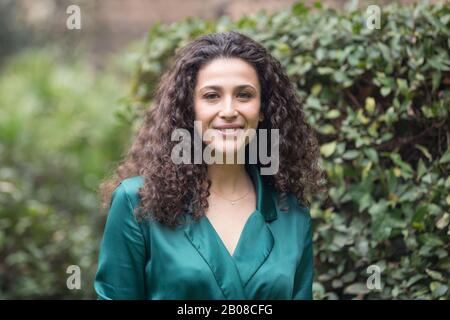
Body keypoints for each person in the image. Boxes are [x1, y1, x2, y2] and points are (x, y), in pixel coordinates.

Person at [94, 31, 325, 300]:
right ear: (189, 108)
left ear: (263, 109)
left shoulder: (292, 214)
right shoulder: (137, 203)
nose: (228, 110)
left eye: (244, 95)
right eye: (212, 96)